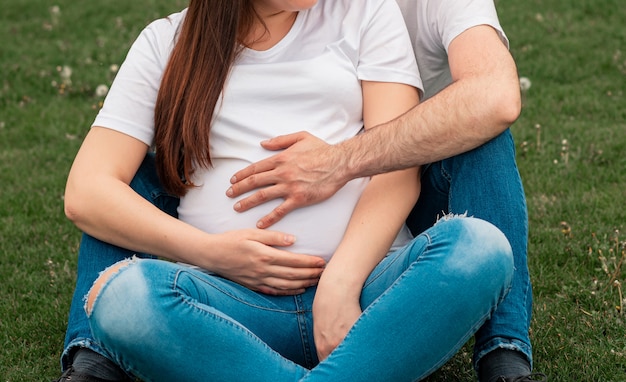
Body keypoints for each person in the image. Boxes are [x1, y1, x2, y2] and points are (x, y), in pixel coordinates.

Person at [56, 0, 516, 381]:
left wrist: (342, 283)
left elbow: (397, 170)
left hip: (366, 296)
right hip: (227, 304)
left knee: (480, 248)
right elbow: (87, 190)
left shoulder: (366, 13)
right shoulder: (166, 42)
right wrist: (214, 253)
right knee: (119, 297)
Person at [225, 1, 544, 382]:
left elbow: (496, 95)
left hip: (414, 182)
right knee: (144, 172)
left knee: (484, 137)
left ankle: (502, 350)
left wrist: (340, 161)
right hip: (310, 186)